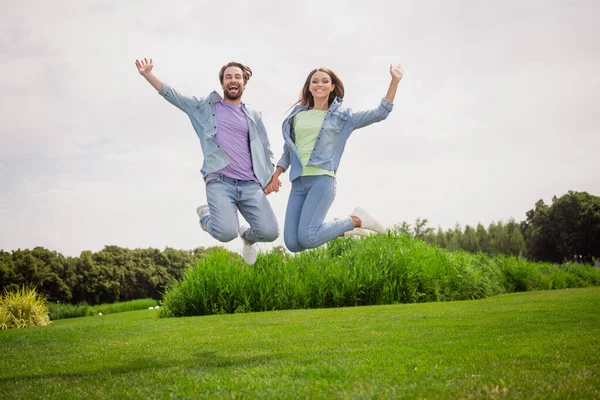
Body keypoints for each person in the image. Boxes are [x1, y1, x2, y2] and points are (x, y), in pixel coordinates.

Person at [135, 58, 279, 264]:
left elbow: (265, 148)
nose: (233, 80)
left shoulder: (254, 115)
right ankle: (205, 216)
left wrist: (271, 176)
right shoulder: (205, 107)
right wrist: (148, 74)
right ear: (222, 83)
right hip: (220, 181)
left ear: (244, 83)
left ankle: (248, 238)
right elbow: (175, 96)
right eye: (228, 76)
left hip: (250, 184)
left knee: (270, 232)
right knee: (226, 233)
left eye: (237, 77)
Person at [265, 65, 403, 252]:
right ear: (309, 87)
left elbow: (381, 113)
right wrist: (277, 174)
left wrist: (394, 81)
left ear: (332, 87)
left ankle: (356, 220)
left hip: (322, 180)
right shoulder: (297, 116)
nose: (319, 84)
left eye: (324, 81)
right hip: (298, 182)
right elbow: (289, 151)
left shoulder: (343, 116)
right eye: (314, 81)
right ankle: (344, 228)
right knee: (292, 243)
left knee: (307, 238)